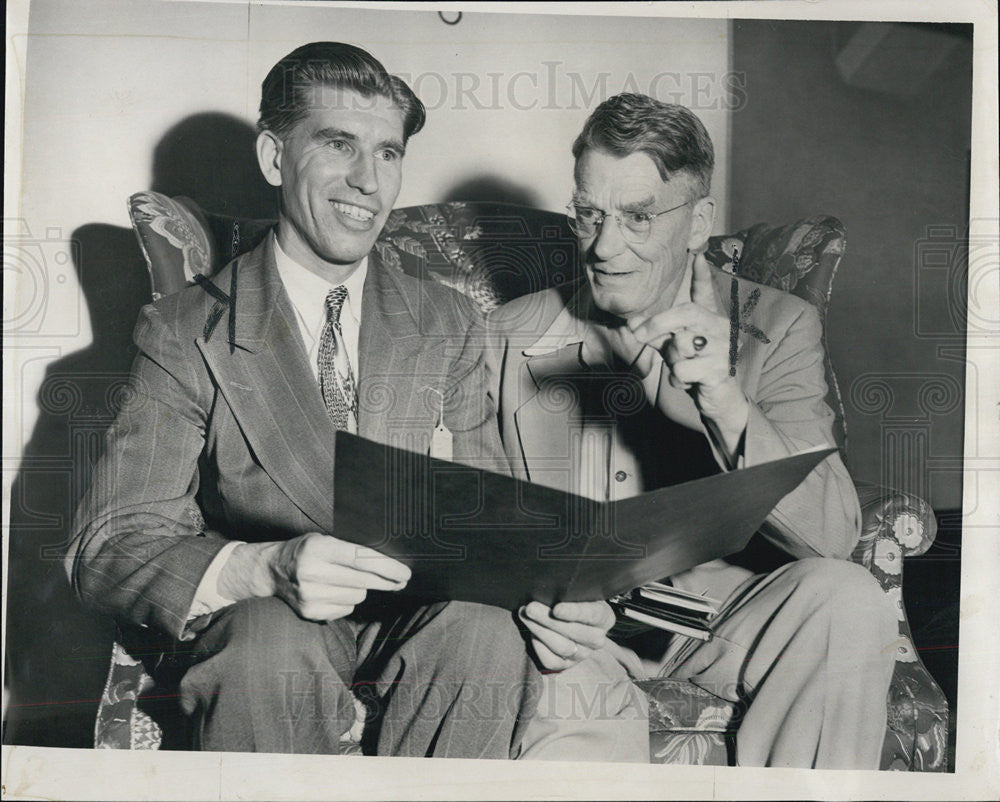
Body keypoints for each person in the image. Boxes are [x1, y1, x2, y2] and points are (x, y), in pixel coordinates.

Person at [65, 41, 544, 758]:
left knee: (486, 631)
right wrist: (265, 567)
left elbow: (487, 521)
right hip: (268, 622)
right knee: (266, 641)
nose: (368, 181)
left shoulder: (448, 321)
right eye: (339, 144)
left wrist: (555, 590)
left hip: (414, 619)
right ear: (273, 158)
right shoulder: (184, 330)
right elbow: (107, 547)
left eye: (388, 153)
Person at [487, 93, 898, 768]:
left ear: (698, 221)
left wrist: (726, 400)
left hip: (714, 618)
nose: (604, 246)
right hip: (574, 623)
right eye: (590, 213)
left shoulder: (780, 324)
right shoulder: (508, 334)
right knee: (562, 688)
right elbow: (468, 521)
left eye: (638, 218)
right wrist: (547, 613)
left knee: (849, 602)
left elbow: (833, 534)